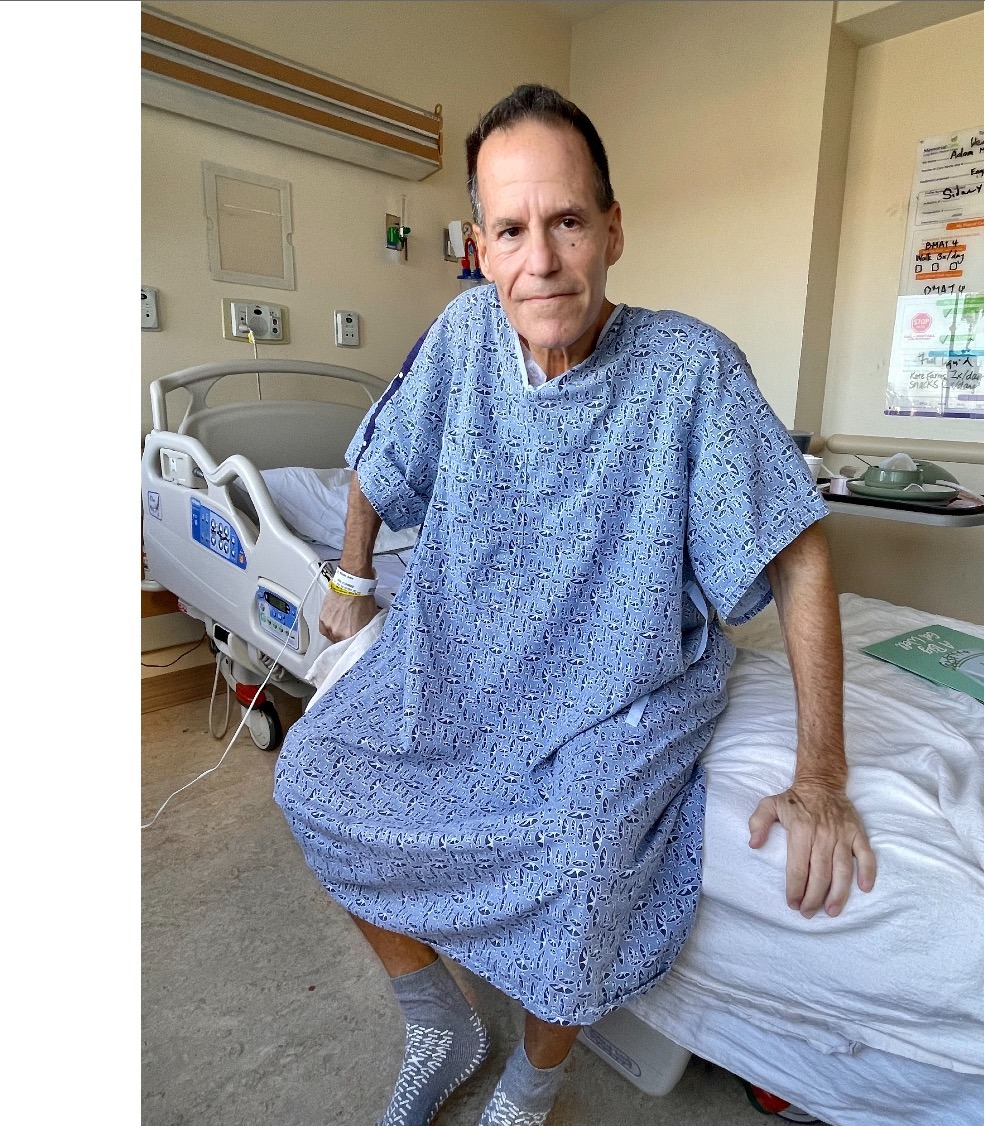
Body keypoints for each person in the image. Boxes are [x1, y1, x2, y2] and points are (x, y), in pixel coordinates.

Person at [274, 83, 876, 1126]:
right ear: (479, 247)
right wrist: (350, 575)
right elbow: (381, 452)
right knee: (311, 778)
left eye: (566, 222)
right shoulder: (461, 338)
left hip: (621, 684)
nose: (541, 260)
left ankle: (532, 1082)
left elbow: (797, 549)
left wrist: (821, 774)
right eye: (511, 230)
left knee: (587, 865)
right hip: (461, 651)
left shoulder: (690, 370)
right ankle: (438, 1020)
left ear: (612, 230)